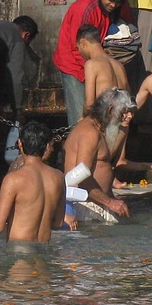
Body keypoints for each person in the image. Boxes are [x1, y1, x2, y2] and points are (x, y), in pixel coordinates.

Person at [64, 88, 135, 220]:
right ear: (110, 110)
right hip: (84, 208)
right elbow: (79, 177)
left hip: (97, 205)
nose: (129, 116)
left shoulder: (98, 128)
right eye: (123, 112)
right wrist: (110, 202)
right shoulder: (89, 132)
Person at [0, 121, 66, 243]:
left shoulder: (13, 180)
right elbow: (58, 223)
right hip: (44, 249)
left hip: (19, 250)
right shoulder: (59, 177)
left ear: (20, 144)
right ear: (47, 146)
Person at [78, 23, 129, 110]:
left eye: (78, 48)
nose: (80, 52)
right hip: (121, 118)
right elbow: (128, 98)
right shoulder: (119, 65)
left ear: (83, 43)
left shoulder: (91, 64)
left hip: (104, 118)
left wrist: (83, 119)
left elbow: (90, 103)